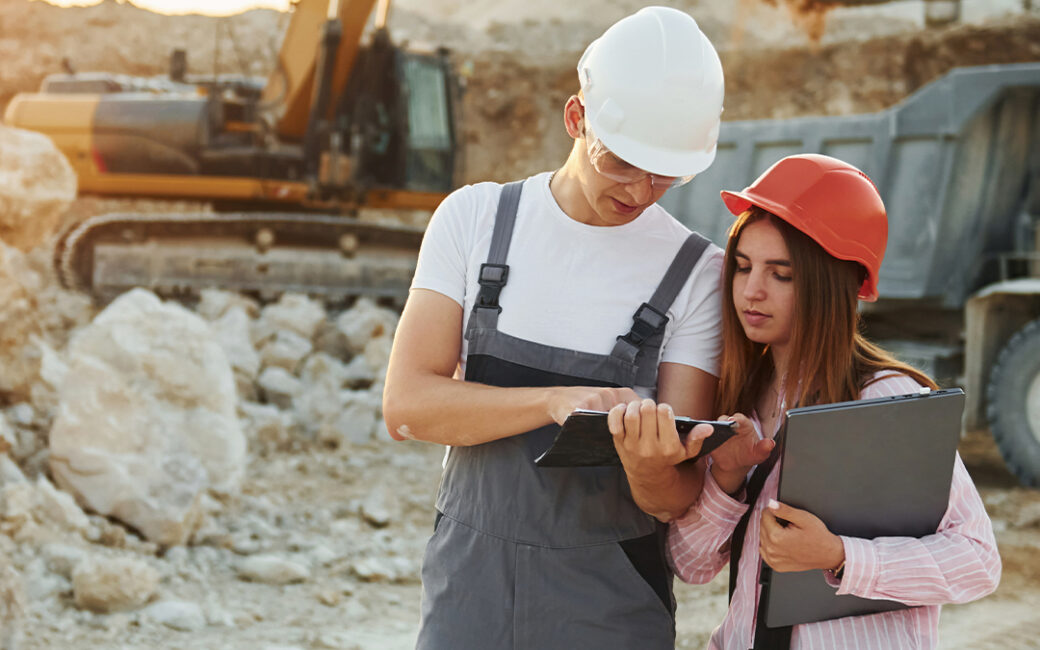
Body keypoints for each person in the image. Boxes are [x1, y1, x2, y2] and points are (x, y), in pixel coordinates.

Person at [382, 6, 727, 649]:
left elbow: (677, 498)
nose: (642, 190)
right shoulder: (475, 219)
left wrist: (651, 464)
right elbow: (407, 408)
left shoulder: (698, 273)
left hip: (609, 604)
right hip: (469, 590)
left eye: (666, 173)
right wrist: (554, 403)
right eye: (622, 161)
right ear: (576, 118)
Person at [609, 153, 1002, 649]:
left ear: (829, 282)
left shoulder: (886, 400)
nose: (751, 291)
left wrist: (838, 555)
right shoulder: (744, 405)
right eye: (744, 267)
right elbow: (690, 565)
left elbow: (977, 561)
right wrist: (726, 482)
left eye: (782, 274)